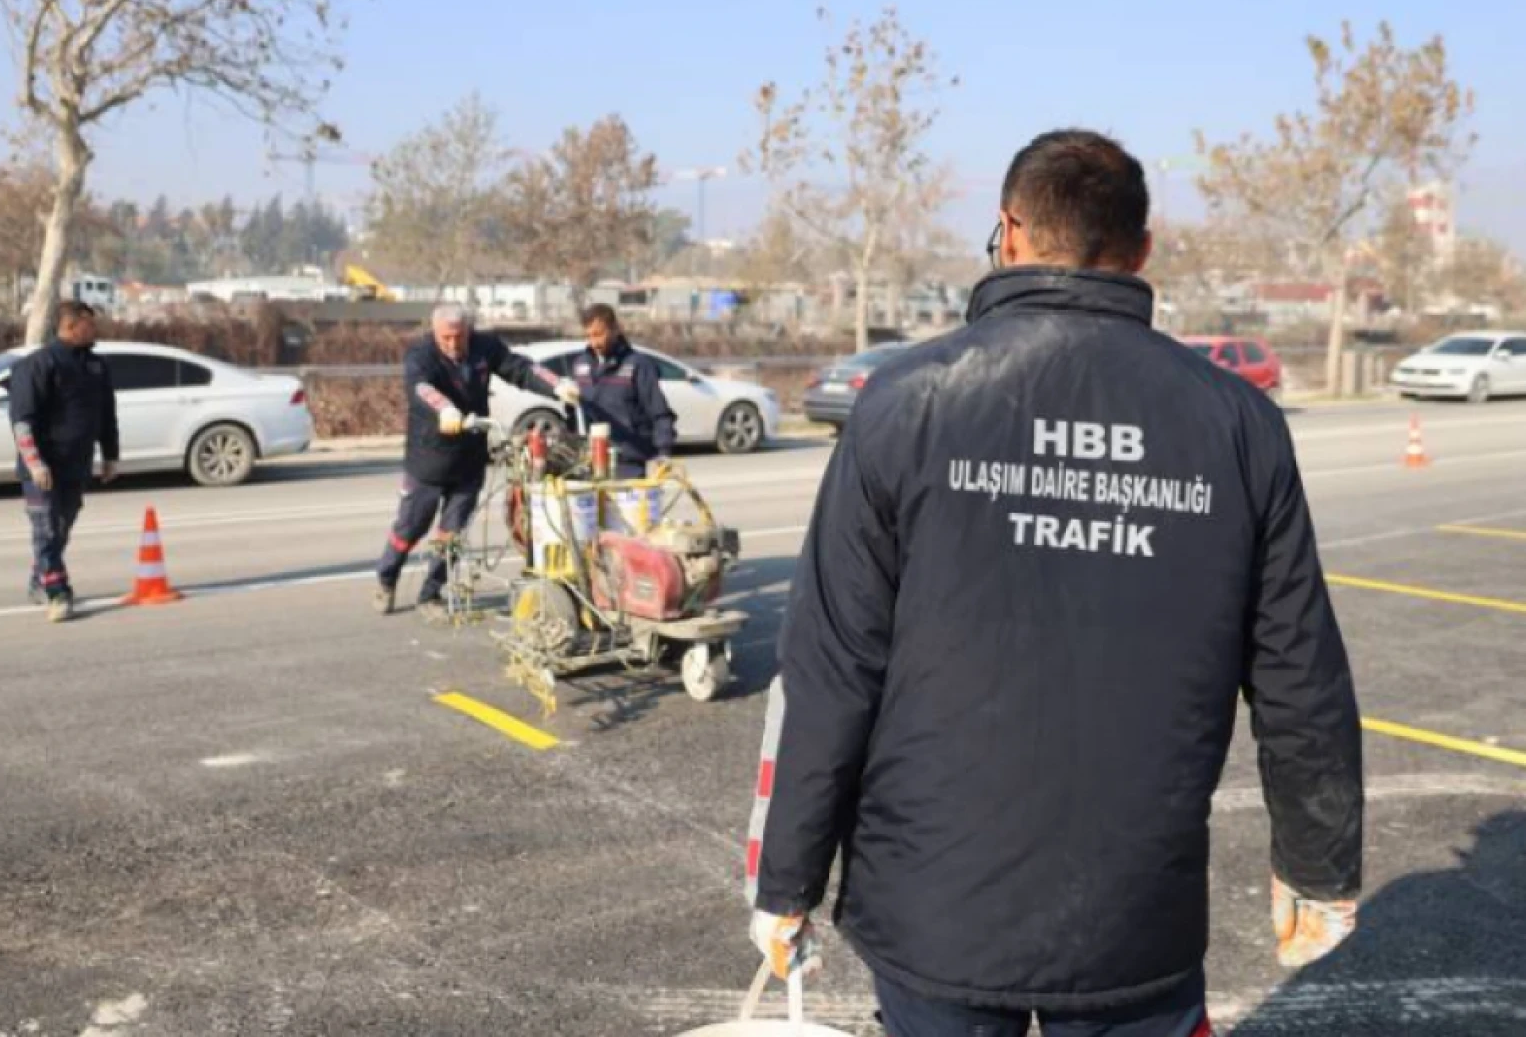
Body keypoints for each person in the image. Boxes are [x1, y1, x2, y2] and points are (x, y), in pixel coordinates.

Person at [745, 129, 1364, 1037]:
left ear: (1008, 231)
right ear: (1141, 252)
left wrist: (783, 877)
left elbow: (829, 668)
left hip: (935, 903)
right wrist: (1319, 862)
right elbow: (1296, 670)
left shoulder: (906, 402)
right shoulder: (1237, 421)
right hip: (1132, 907)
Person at [373, 303, 579, 615]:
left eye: (459, 337)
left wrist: (556, 386)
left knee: (452, 534)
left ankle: (431, 593)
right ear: (435, 333)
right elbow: (422, 388)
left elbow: (519, 369)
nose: (454, 345)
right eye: (446, 338)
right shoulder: (421, 355)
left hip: (469, 458)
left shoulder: (484, 347)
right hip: (428, 458)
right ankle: (386, 578)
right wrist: (445, 410)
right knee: (410, 528)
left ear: (468, 330)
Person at [7, 299, 119, 624]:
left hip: (76, 464)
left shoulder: (96, 366)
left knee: (61, 529)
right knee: (46, 529)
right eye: (88, 323)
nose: (94, 329)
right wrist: (35, 463)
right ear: (69, 327)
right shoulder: (38, 365)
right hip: (43, 467)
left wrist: (110, 455)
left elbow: (106, 416)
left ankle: (38, 579)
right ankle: (58, 592)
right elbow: (22, 421)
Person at [569, 303, 678, 479]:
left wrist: (663, 453)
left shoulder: (638, 365)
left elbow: (660, 413)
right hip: (591, 462)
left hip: (629, 463)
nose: (594, 342)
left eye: (599, 334)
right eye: (589, 336)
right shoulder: (581, 365)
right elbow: (575, 415)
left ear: (615, 330)